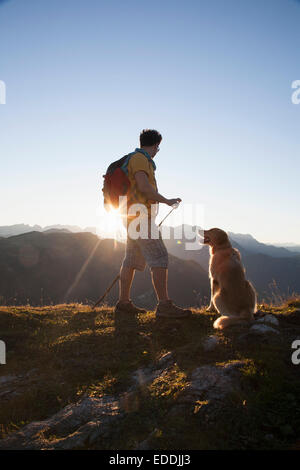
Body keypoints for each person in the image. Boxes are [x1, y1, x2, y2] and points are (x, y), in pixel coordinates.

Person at [115, 129, 192, 319]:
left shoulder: (134, 159)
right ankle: (164, 305)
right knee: (159, 256)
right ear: (156, 145)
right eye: (158, 147)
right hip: (140, 216)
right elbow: (143, 187)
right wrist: (166, 201)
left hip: (131, 215)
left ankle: (123, 303)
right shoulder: (141, 159)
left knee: (131, 260)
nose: (158, 150)